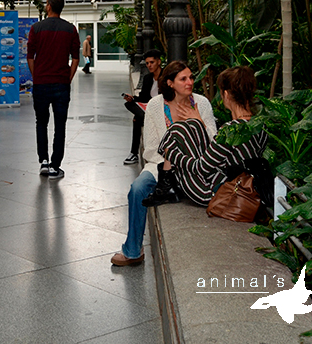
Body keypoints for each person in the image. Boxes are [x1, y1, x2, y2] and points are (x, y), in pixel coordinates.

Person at [110, 61, 217, 266]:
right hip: (162, 167)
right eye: (183, 79)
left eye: (191, 77)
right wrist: (172, 161)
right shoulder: (156, 105)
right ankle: (133, 251)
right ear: (170, 83)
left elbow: (213, 142)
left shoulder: (201, 103)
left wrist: (199, 121)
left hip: (196, 167)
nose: (190, 82)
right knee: (137, 189)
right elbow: (150, 148)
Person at [157, 66, 267, 205]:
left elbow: (201, 168)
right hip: (240, 186)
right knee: (189, 126)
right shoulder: (260, 126)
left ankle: (164, 186)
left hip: (215, 193)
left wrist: (172, 155)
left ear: (226, 94)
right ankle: (164, 185)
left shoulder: (230, 131)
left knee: (177, 130)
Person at [27, 0, 80, 180]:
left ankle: (43, 161)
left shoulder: (36, 28)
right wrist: (68, 77)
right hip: (61, 85)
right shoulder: (71, 29)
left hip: (41, 84)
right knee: (60, 125)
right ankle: (55, 166)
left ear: (49, 6)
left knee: (41, 123)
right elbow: (75, 58)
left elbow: (30, 57)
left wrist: (37, 76)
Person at [122, 49, 163, 165]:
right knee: (128, 104)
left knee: (136, 119)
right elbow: (143, 98)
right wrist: (133, 98)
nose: (149, 65)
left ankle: (133, 153)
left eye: (152, 62)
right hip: (148, 108)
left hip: (160, 109)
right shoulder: (147, 78)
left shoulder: (166, 78)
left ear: (158, 62)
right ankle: (144, 116)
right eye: (147, 63)